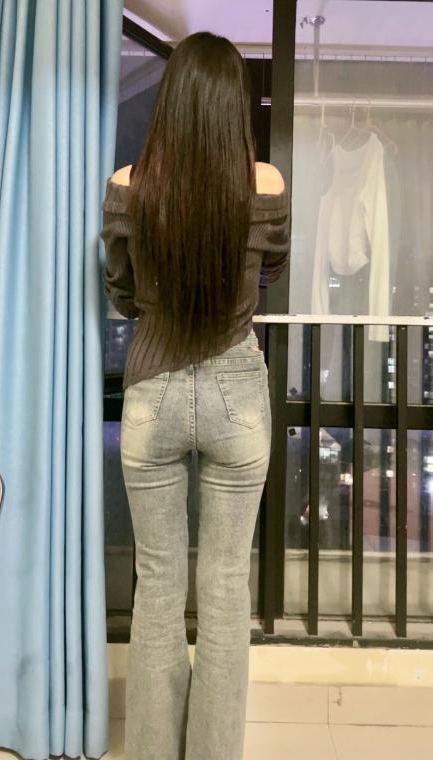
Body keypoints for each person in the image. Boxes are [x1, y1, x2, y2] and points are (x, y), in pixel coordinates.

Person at [100, 30, 290, 760]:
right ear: (234, 105)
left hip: (152, 390)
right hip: (238, 394)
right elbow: (270, 273)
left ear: (171, 99)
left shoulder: (129, 185)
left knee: (156, 588)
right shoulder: (265, 185)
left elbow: (121, 293)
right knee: (226, 590)